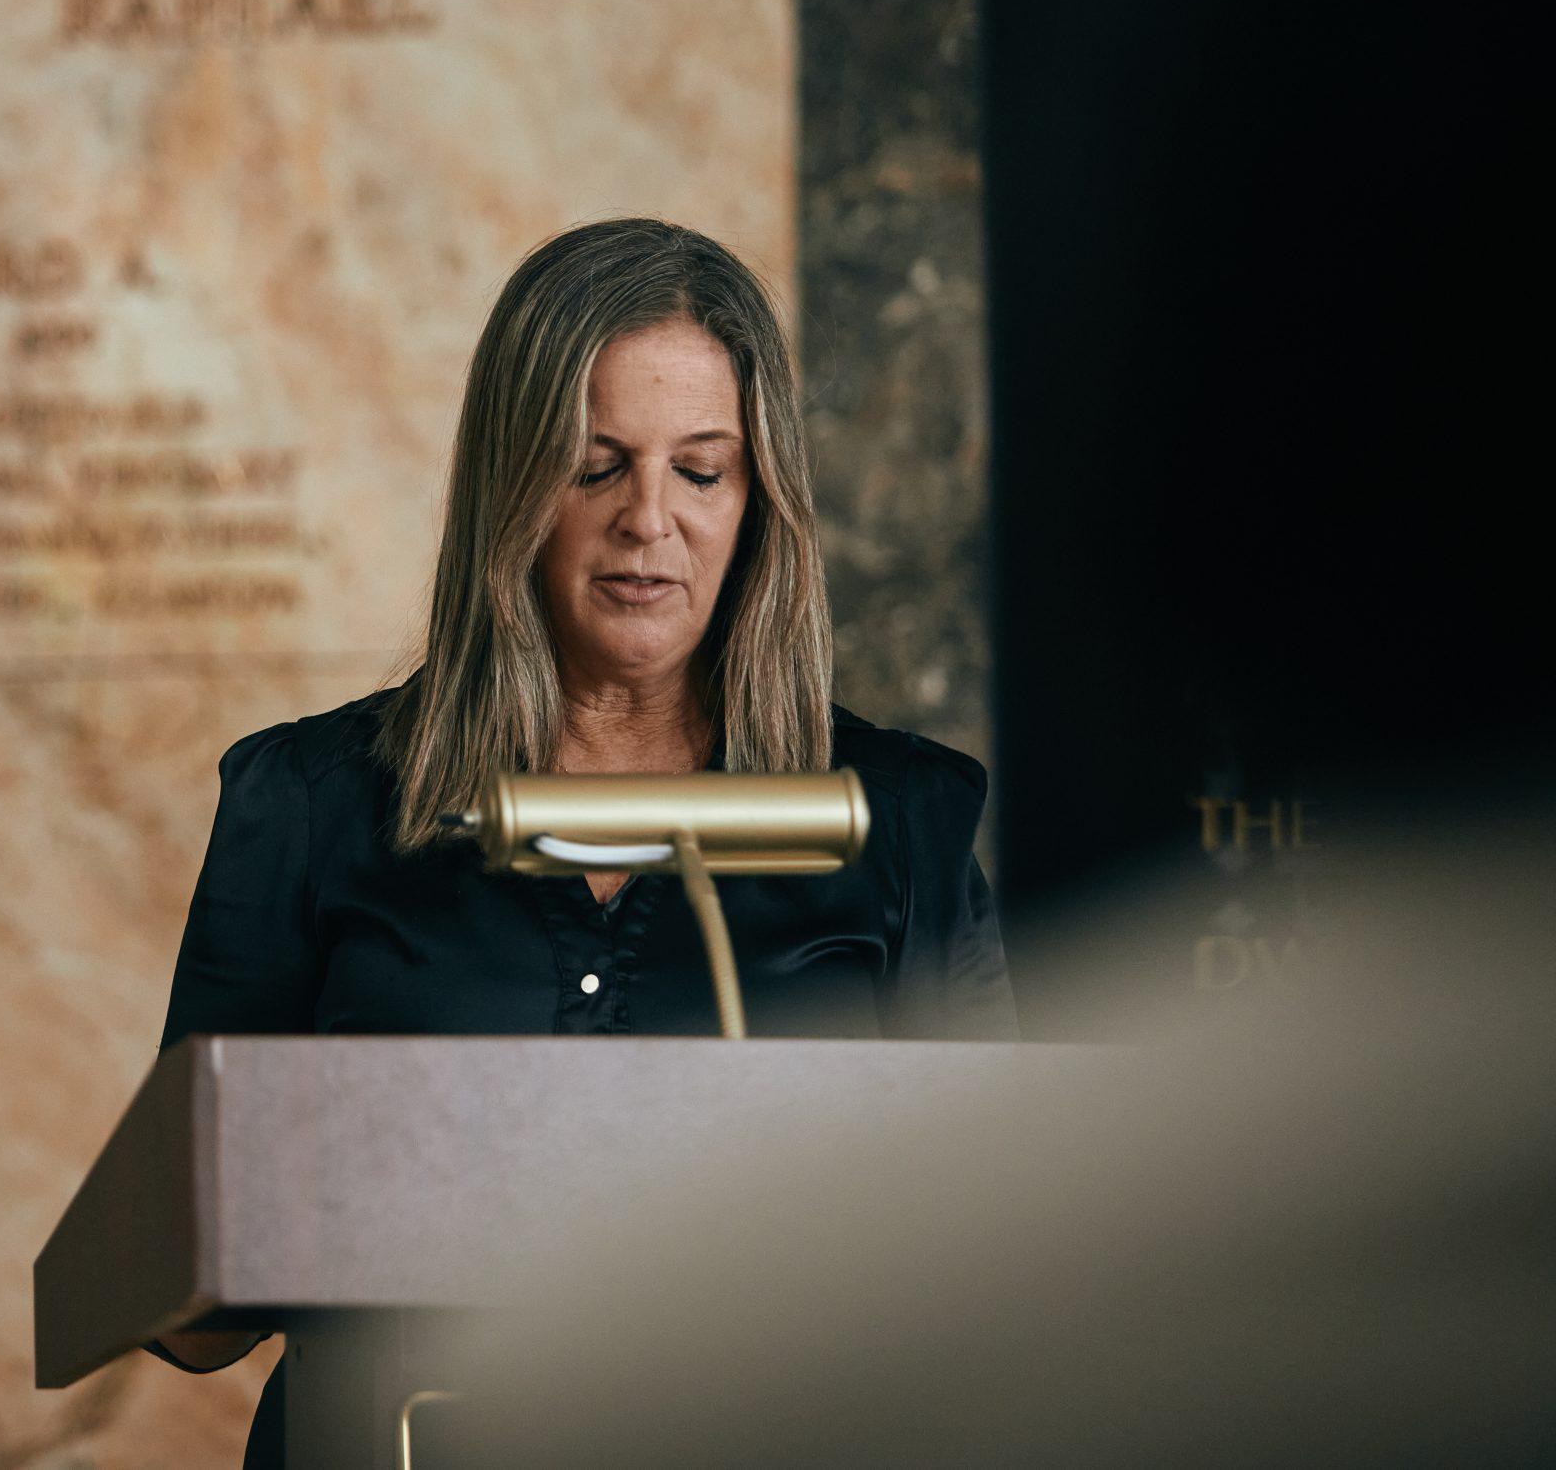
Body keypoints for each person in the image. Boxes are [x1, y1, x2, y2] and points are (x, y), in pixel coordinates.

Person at [141, 217, 1017, 1465]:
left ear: (759, 496)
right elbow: (189, 1321)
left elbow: (1010, 1266)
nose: (645, 520)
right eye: (594, 464)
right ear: (513, 483)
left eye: (699, 470)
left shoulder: (902, 822)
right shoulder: (309, 803)